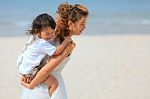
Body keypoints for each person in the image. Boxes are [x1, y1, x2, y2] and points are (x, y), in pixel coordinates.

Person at [20, 2, 89, 99]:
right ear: (70, 23)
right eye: (82, 24)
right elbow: (45, 70)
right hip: (44, 87)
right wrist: (31, 85)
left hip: (34, 80)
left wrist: (26, 71)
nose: (84, 27)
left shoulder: (48, 34)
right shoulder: (67, 45)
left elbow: (29, 51)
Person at [17, 13, 72, 96]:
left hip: (22, 64)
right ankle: (28, 85)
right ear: (38, 32)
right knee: (54, 83)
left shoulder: (33, 36)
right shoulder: (41, 43)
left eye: (52, 33)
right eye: (47, 33)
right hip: (31, 70)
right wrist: (66, 41)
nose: (50, 36)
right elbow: (56, 52)